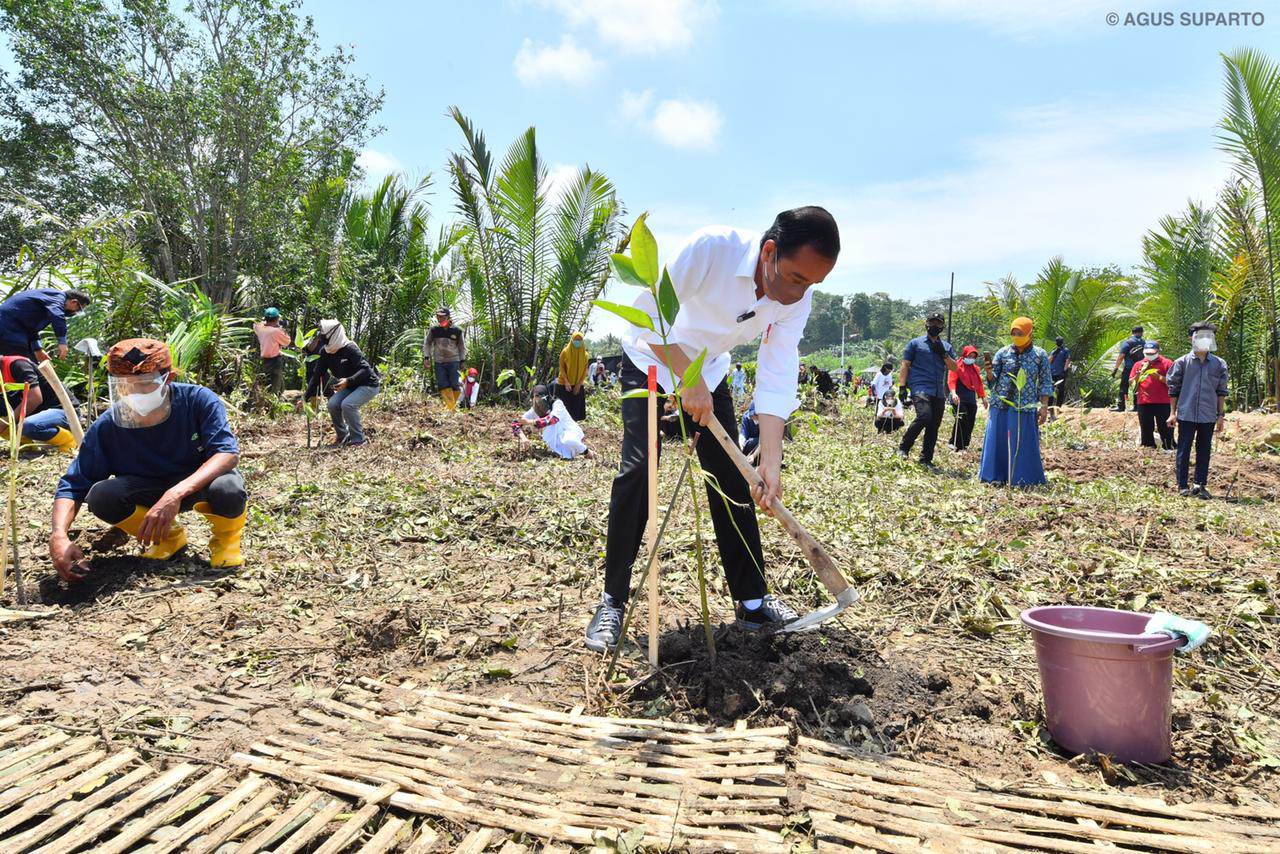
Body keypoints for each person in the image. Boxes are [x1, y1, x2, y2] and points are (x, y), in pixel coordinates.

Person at [587, 206, 840, 652]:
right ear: (769, 252)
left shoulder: (795, 300)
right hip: (652, 360)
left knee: (734, 481)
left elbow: (777, 376)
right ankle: (612, 602)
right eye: (799, 278)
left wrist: (771, 465)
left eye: (814, 284)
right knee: (639, 473)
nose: (802, 293)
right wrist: (686, 378)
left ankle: (752, 601)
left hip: (711, 373)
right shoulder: (713, 248)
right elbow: (644, 319)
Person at [49, 339, 246, 580]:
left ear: (169, 378)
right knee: (102, 496)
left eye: (144, 385)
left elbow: (225, 453)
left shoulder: (198, 401)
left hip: (196, 483)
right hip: (147, 490)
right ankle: (168, 539)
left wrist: (175, 494)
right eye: (124, 387)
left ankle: (226, 543)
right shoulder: (108, 426)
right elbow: (74, 485)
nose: (134, 394)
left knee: (228, 487)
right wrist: (59, 535)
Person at [979, 317, 1053, 486]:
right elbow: (992, 381)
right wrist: (989, 373)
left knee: (1023, 443)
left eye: (1020, 333)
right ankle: (995, 476)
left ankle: (1023, 478)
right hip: (1000, 405)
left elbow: (1045, 382)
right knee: (998, 442)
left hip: (1024, 406)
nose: (1016, 336)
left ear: (1030, 333)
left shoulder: (1040, 355)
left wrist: (1043, 406)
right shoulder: (1003, 353)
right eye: (1013, 333)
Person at [1167, 322, 1228, 498]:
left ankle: (1200, 485)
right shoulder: (1182, 363)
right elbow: (1173, 389)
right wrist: (1172, 413)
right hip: (1186, 413)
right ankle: (1182, 485)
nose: (1204, 340)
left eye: (1208, 336)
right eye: (1200, 336)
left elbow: (1221, 391)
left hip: (1208, 414)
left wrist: (1220, 415)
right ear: (1191, 338)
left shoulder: (1219, 364)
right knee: (1183, 449)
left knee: (1204, 450)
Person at [897, 312, 958, 469]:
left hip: (938, 390)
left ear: (942, 327)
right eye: (932, 322)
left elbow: (954, 367)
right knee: (924, 416)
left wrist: (943, 353)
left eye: (938, 323)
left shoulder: (947, 347)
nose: (934, 325)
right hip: (919, 387)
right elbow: (905, 364)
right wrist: (902, 386)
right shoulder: (915, 343)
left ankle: (926, 459)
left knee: (934, 425)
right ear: (926, 323)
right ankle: (903, 447)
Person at [304, 320, 379, 447]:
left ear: (334, 334)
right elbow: (317, 376)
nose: (321, 336)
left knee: (348, 405)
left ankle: (359, 439)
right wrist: (305, 397)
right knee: (332, 404)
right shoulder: (325, 352)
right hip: (350, 385)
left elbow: (365, 369)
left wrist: (349, 381)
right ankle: (343, 436)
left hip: (368, 384)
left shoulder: (350, 348)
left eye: (323, 333)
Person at [0, 353, 78, 453]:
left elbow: (35, 399)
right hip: (37, 413)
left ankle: (68, 441)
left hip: (64, 410)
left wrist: (6, 421)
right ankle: (25, 443)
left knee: (27, 425)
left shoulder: (18, 365)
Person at [0, 288, 90, 361]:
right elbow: (58, 316)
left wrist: (38, 350)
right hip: (8, 327)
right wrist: (62, 343)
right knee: (22, 361)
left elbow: (32, 330)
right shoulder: (57, 298)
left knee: (29, 362)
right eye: (78, 309)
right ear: (74, 302)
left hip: (14, 329)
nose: (75, 312)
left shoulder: (49, 301)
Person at [516, 384, 590, 460]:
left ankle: (586, 451)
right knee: (557, 450)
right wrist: (523, 438)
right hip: (553, 438)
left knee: (569, 441)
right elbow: (515, 423)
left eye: (541, 399)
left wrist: (530, 421)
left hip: (567, 430)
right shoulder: (533, 411)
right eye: (536, 400)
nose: (539, 404)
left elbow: (552, 420)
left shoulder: (557, 404)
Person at [1130, 341, 1174, 450]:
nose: (1149, 356)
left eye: (1152, 353)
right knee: (1146, 429)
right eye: (1147, 353)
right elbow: (1131, 382)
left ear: (1158, 352)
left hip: (1163, 402)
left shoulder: (1167, 363)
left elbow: (1174, 382)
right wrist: (1138, 375)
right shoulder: (1138, 364)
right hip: (1144, 402)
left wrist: (1159, 377)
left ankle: (1169, 448)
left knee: (1166, 429)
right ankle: (1148, 449)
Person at [947, 345, 987, 451]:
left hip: (970, 399)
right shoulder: (956, 366)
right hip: (959, 398)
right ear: (964, 355)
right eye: (970, 356)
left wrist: (983, 398)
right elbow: (951, 380)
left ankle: (964, 444)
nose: (971, 359)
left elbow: (979, 384)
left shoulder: (975, 369)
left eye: (974, 357)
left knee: (970, 421)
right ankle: (954, 443)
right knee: (961, 419)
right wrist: (953, 393)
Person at [425, 307, 465, 410]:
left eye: (442, 317)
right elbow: (427, 343)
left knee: (455, 384)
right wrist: (426, 357)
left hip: (454, 361)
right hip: (439, 361)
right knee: (443, 384)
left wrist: (462, 361)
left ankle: (452, 406)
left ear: (448, 317)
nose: (440, 318)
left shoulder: (457, 330)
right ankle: (450, 408)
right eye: (438, 316)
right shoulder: (434, 330)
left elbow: (461, 347)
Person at [253, 308, 291, 396]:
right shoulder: (276, 331)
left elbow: (256, 324)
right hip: (275, 360)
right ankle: (275, 402)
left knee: (267, 383)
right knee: (275, 385)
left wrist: (268, 323)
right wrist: (281, 328)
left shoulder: (260, 328)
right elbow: (287, 342)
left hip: (264, 360)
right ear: (277, 319)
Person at [1112, 325, 1146, 411]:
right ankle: (1137, 406)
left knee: (1124, 386)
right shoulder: (1144, 343)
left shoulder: (1127, 342)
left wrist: (1116, 368)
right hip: (1140, 368)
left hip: (1129, 367)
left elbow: (1121, 356)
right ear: (1142, 333)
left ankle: (1121, 406)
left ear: (1132, 332)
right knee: (1137, 386)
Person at [557, 331, 589, 422]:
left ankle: (573, 429)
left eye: (580, 340)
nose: (577, 341)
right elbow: (562, 368)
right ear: (572, 340)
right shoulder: (565, 352)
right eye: (575, 339)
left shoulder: (585, 355)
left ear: (582, 341)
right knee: (564, 410)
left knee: (575, 411)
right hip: (564, 384)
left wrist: (579, 384)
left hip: (578, 385)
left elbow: (585, 370)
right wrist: (566, 382)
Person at [1049, 336, 1071, 418]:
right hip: (1052, 373)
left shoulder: (1065, 350)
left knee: (1060, 390)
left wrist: (1065, 370)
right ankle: (1049, 407)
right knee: (1050, 390)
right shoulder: (1053, 351)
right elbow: (1049, 361)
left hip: (1061, 373)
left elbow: (1067, 360)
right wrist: (1053, 354)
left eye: (1059, 341)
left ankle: (1058, 407)